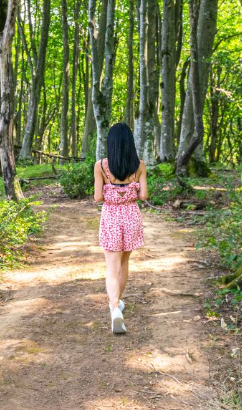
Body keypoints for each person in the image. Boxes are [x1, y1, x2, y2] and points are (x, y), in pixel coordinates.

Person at [93, 123, 148, 334]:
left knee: (111, 267)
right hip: (131, 216)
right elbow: (143, 196)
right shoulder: (139, 165)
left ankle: (115, 308)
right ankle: (116, 303)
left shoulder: (101, 166)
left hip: (111, 217)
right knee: (124, 263)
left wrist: (111, 191)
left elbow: (98, 197)